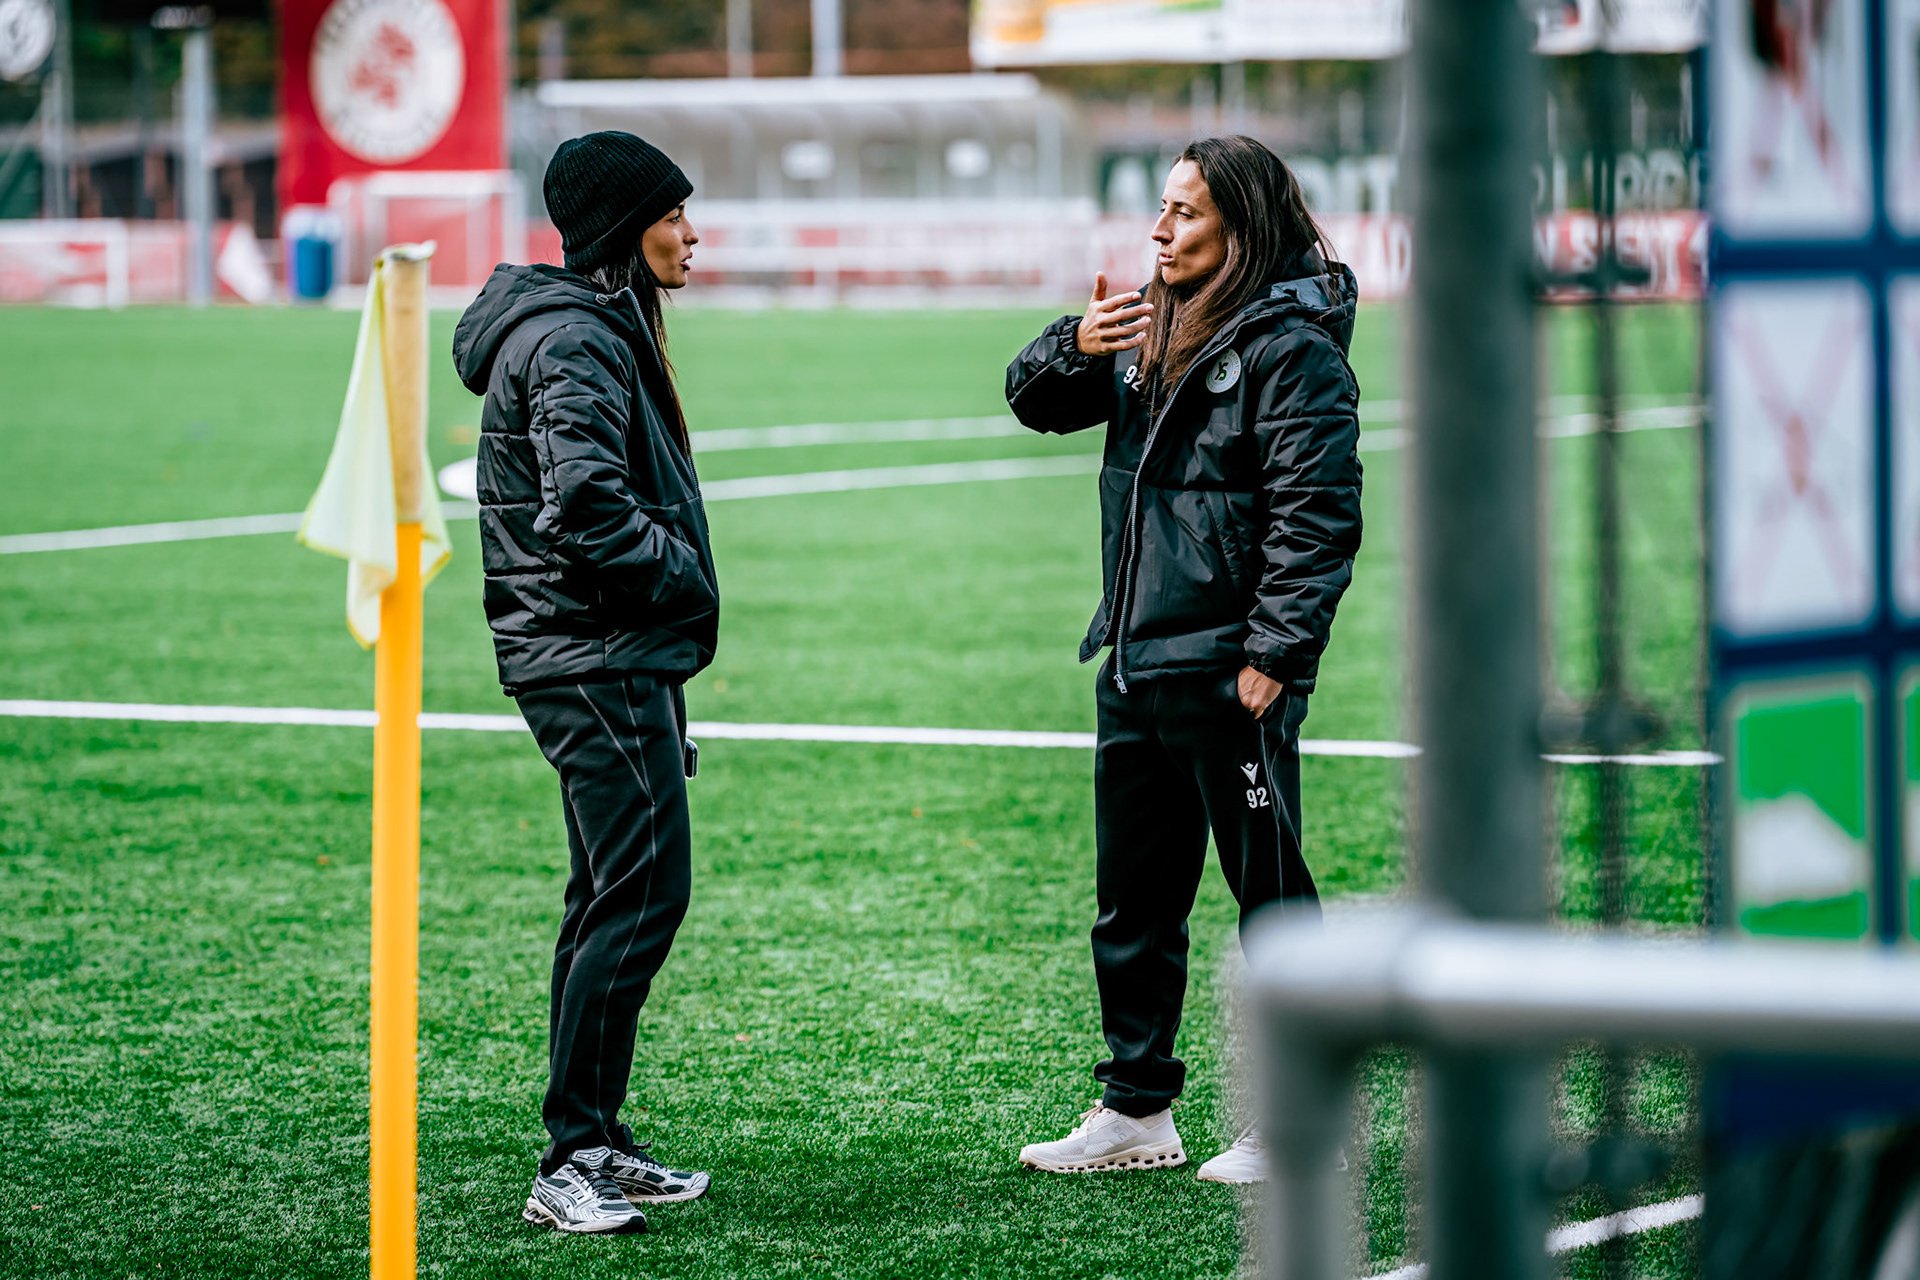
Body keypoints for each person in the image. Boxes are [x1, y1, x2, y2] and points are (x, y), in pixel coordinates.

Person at [1003, 136, 1363, 1184]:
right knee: (1135, 900)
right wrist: (1073, 342)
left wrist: (1276, 653)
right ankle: (1136, 1107)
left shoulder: (1292, 348)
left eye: (1185, 213)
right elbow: (1032, 399)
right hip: (1136, 661)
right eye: (1160, 209)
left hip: (1230, 670)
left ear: (1241, 228)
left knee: (1272, 901)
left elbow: (1317, 512)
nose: (1160, 229)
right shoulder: (1146, 326)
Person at [452, 131, 718, 1234]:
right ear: (622, 227)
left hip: (601, 650)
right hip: (592, 652)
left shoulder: (589, 326)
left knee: (609, 887)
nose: (692, 234)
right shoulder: (574, 339)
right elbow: (589, 509)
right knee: (645, 887)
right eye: (673, 215)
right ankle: (570, 1154)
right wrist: (682, 575)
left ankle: (595, 1133)